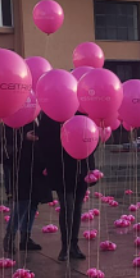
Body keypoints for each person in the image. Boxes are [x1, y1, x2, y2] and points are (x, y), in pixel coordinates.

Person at [38, 112, 94, 262]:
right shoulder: (51, 115)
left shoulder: (82, 112)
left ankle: (74, 245)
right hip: (60, 168)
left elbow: (92, 139)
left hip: (80, 168)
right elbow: (43, 141)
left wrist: (91, 168)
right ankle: (65, 246)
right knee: (67, 206)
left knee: (77, 208)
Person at [1, 123, 50, 253]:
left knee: (33, 202)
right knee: (22, 202)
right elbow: (5, 137)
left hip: (38, 166)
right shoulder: (14, 115)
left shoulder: (38, 114)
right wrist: (24, 137)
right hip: (21, 166)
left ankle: (25, 238)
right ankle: (9, 236)